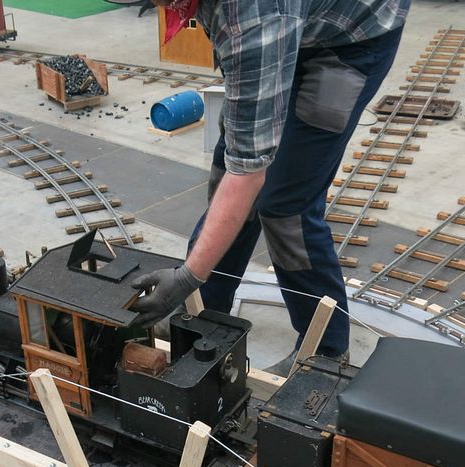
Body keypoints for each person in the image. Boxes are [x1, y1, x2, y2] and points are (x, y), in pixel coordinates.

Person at [131, 0, 410, 368]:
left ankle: (325, 352)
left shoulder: (254, 15)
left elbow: (248, 172)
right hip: (288, 24)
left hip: (351, 38)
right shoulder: (252, 23)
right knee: (228, 175)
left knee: (286, 207)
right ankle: (205, 310)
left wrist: (187, 276)